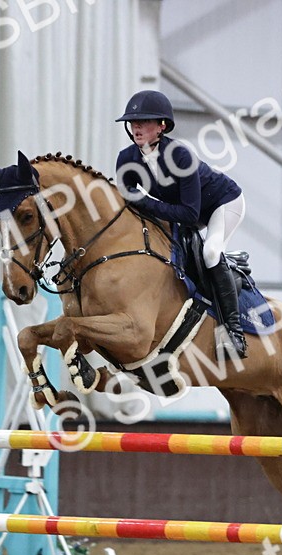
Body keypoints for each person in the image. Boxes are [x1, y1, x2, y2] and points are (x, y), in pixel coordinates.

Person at [114, 89, 248, 358]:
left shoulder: (179, 156)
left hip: (222, 204)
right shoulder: (127, 159)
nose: (137, 127)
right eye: (133, 122)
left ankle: (233, 331)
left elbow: (188, 214)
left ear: (162, 126)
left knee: (211, 251)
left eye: (145, 122)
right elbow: (128, 199)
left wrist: (144, 202)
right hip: (185, 211)